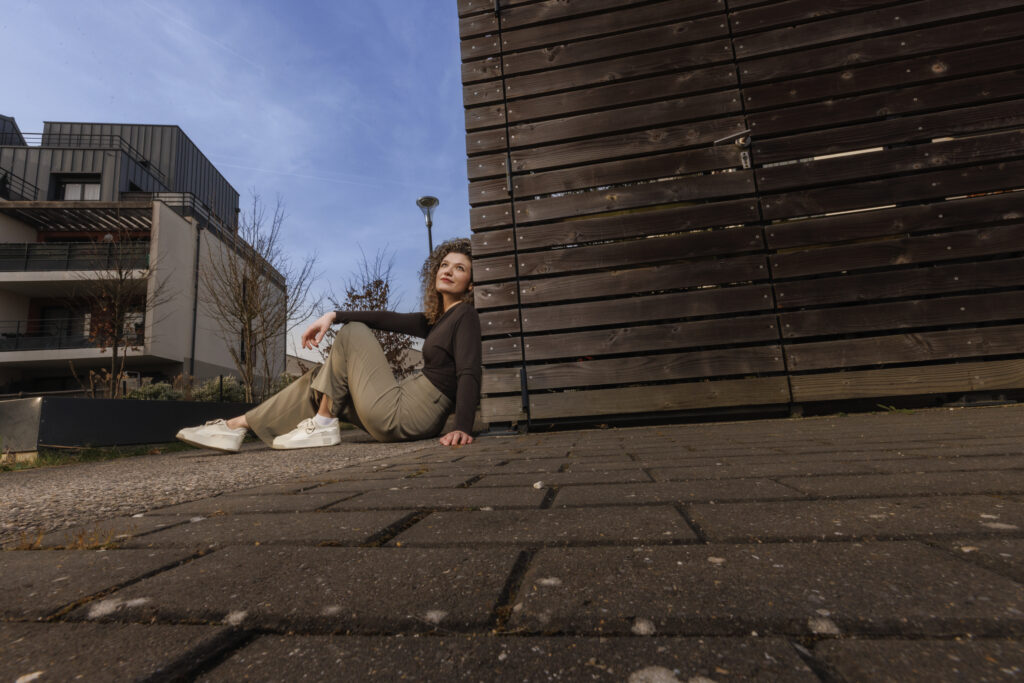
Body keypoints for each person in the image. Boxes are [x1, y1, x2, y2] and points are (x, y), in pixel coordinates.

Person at [176, 238, 481, 452]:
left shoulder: (464, 315)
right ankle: (235, 428)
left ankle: (322, 423)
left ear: (470, 283)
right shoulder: (436, 320)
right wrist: (333, 315)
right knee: (317, 382)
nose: (448, 271)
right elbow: (385, 318)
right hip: (401, 408)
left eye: (459, 268)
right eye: (444, 264)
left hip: (410, 412)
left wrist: (463, 427)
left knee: (353, 332)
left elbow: (469, 372)